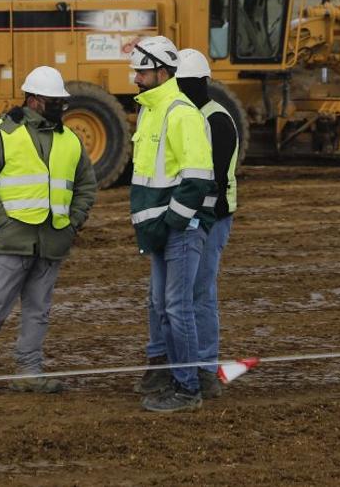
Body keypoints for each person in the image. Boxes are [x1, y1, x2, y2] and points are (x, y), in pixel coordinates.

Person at [0, 65, 97, 393]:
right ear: (33, 100)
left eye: (59, 101)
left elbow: (86, 185)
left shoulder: (71, 141)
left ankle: (29, 369)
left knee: (38, 310)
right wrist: (1, 219)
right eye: (51, 100)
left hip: (52, 240)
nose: (57, 106)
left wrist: (74, 222)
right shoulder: (2, 133)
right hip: (12, 239)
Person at [127, 35, 215, 413]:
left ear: (162, 72)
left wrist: (170, 223)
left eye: (142, 72)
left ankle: (188, 388)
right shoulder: (150, 111)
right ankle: (177, 380)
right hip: (161, 230)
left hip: (179, 230)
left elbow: (198, 178)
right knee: (164, 307)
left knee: (178, 308)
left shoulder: (181, 113)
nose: (135, 79)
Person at [172, 48, 239, 399]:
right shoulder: (190, 115)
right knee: (188, 294)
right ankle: (191, 365)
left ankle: (206, 367)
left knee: (200, 293)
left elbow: (210, 176)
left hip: (213, 217)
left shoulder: (216, 119)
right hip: (194, 214)